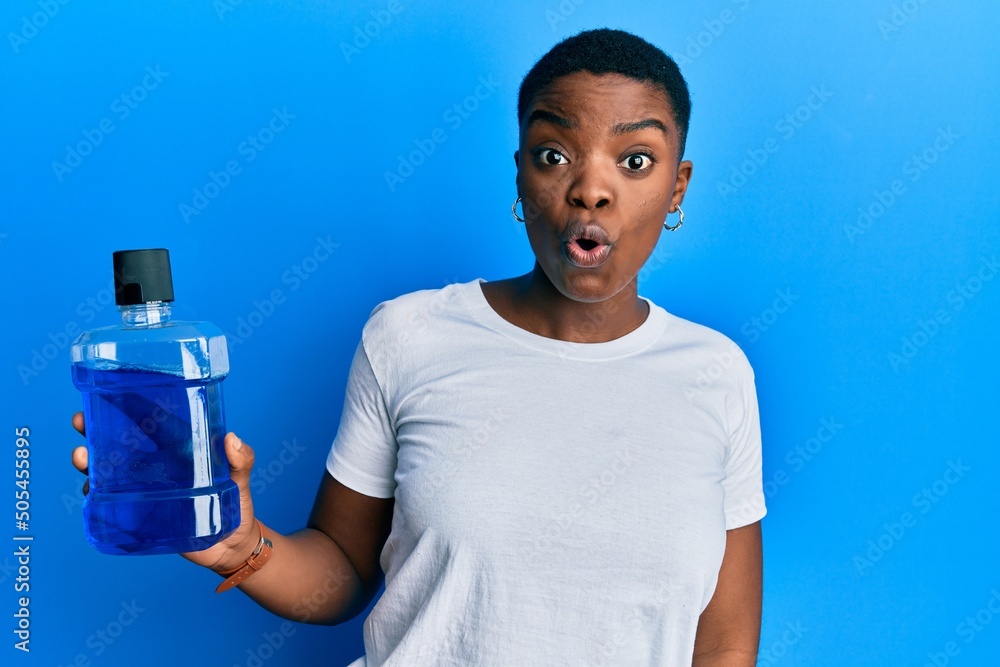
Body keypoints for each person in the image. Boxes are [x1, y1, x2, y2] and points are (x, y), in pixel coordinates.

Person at [72, 28, 765, 666]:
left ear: (677, 187)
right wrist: (237, 544)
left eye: (636, 159)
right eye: (555, 155)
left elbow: (726, 645)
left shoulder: (716, 373)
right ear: (521, 175)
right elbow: (342, 572)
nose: (591, 188)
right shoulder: (410, 334)